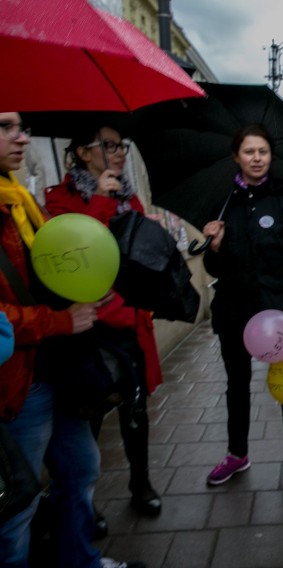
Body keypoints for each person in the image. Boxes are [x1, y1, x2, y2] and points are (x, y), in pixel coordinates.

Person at [0, 112, 144, 568]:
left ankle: (78, 559)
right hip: (18, 380)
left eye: (20, 126)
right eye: (5, 127)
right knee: (19, 499)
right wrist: (60, 321)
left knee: (81, 467)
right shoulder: (40, 199)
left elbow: (59, 261)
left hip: (55, 366)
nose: (21, 136)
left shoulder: (18, 200)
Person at [43, 124, 164, 520]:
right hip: (90, 328)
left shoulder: (130, 199)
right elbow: (77, 252)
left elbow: (139, 255)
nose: (119, 153)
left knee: (135, 411)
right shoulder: (59, 200)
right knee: (89, 413)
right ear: (82, 152)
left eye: (121, 145)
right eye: (108, 145)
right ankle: (85, 501)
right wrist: (99, 200)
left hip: (130, 322)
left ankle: (141, 482)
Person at [201, 124, 283, 497]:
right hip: (233, 311)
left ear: (270, 156)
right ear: (237, 156)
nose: (257, 158)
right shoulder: (222, 202)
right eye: (249, 152)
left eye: (263, 151)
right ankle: (237, 453)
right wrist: (214, 246)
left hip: (277, 313)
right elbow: (214, 271)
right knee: (236, 386)